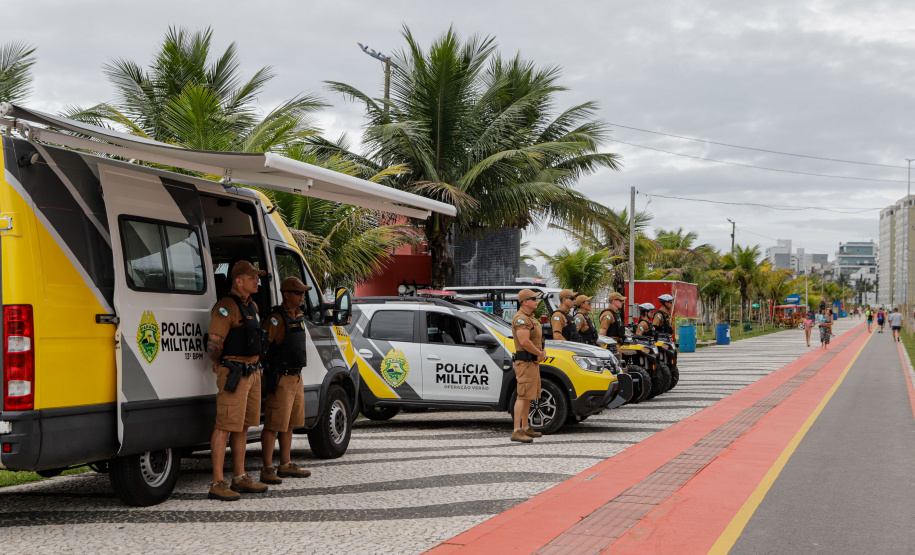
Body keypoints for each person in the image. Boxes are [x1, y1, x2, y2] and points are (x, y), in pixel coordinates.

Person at [207, 261, 269, 501]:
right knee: (224, 426)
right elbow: (214, 341)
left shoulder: (251, 305)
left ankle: (240, 477)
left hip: (252, 371)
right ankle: (218, 482)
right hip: (234, 372)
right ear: (238, 281)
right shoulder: (225, 306)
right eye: (252, 277)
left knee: (242, 425)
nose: (257, 281)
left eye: (257, 277)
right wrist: (218, 361)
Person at [260, 276, 314, 485]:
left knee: (288, 423)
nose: (302, 296)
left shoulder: (298, 316)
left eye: (303, 293)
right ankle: (266, 468)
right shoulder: (276, 318)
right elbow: (264, 346)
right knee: (273, 424)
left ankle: (285, 463)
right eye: (298, 293)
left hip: (296, 376)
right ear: (287, 294)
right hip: (281, 376)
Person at [511, 289, 547, 443]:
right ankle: (516, 430)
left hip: (532, 362)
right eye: (533, 298)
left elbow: (537, 338)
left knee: (529, 396)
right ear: (525, 301)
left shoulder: (530, 318)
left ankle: (525, 427)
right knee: (522, 396)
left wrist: (541, 351)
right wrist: (539, 353)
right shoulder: (521, 319)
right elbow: (525, 342)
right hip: (525, 363)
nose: (536, 301)